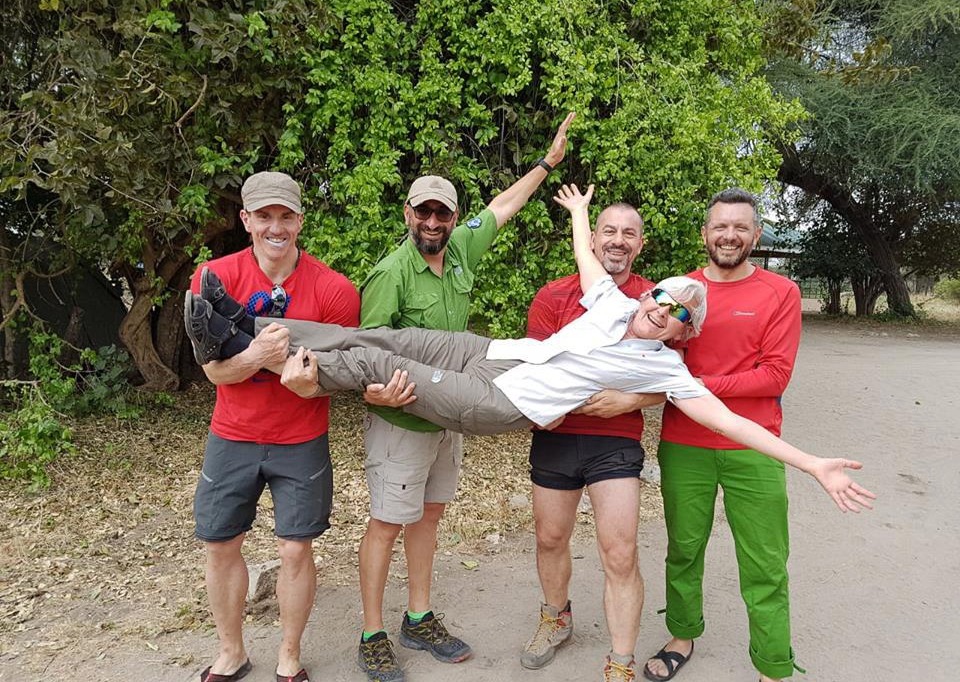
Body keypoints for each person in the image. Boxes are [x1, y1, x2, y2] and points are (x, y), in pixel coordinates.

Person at [184, 184, 875, 524]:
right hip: (494, 355)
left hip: (501, 400)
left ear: (680, 333)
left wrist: (813, 463)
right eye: (661, 297)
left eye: (677, 315)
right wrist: (578, 209)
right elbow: (587, 251)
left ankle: (259, 352)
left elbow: (736, 422)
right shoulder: (612, 303)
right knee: (384, 337)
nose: (661, 310)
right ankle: (241, 327)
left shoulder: (664, 368)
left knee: (373, 366)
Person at [352, 112, 576, 682]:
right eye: (422, 210)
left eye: (441, 212)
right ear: (408, 215)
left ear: (452, 218)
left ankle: (419, 617)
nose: (432, 220)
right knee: (386, 521)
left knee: (429, 518)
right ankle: (372, 631)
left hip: (445, 418)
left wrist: (548, 162)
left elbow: (504, 206)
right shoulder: (390, 274)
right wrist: (378, 392)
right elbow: (365, 352)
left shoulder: (460, 254)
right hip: (399, 419)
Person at [187, 171, 361, 682]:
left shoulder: (333, 289)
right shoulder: (211, 279)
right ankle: (231, 652)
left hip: (300, 439)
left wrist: (309, 385)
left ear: (301, 220)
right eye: (264, 216)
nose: (276, 227)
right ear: (246, 220)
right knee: (220, 544)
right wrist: (261, 356)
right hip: (232, 434)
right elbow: (212, 370)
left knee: (295, 547)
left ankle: (289, 654)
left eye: (286, 216)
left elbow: (338, 377)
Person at [642, 188, 804, 682]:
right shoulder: (678, 291)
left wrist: (696, 386)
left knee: (765, 562)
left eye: (740, 227)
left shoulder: (781, 292)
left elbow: (774, 375)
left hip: (753, 446)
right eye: (719, 226)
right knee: (683, 549)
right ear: (704, 234)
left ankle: (774, 665)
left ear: (755, 235)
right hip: (685, 446)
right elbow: (647, 350)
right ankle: (682, 634)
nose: (729, 235)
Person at [522, 202, 661, 681]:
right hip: (557, 437)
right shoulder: (552, 296)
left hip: (615, 441)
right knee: (550, 537)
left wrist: (631, 400)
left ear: (640, 243)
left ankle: (620, 661)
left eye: (628, 233)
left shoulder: (655, 302)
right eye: (608, 231)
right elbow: (533, 368)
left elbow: (675, 378)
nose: (618, 240)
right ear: (593, 240)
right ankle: (555, 617)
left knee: (619, 552)